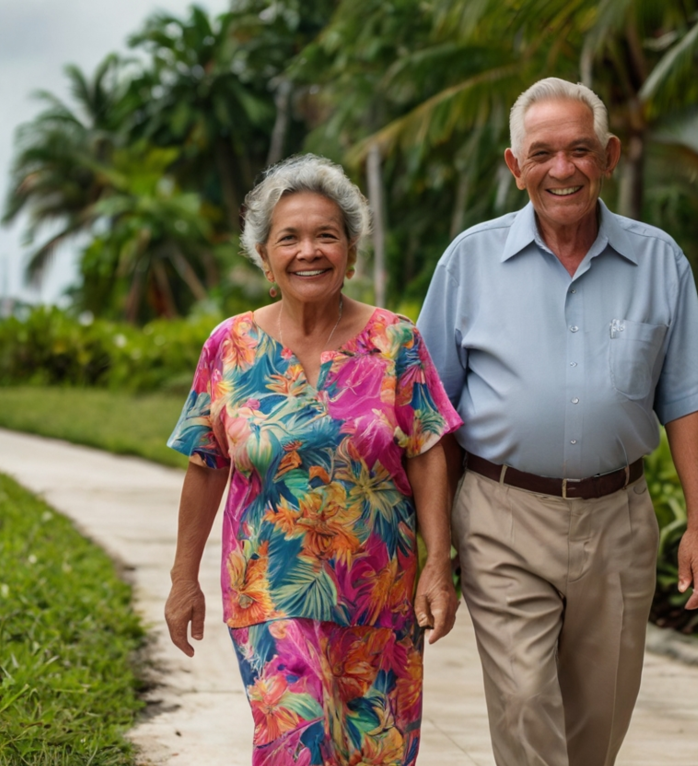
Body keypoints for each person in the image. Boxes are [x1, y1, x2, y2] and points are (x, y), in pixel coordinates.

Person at [416, 78, 698, 766]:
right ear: (514, 165)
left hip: (618, 520)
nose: (562, 169)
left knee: (598, 723)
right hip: (501, 515)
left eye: (580, 150)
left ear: (610, 156)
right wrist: (436, 555)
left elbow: (686, 401)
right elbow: (429, 420)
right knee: (526, 700)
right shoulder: (467, 262)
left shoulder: (659, 260)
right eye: (543, 153)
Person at [164, 154, 462, 766]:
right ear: (266, 258)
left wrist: (439, 564)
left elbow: (431, 451)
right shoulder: (231, 345)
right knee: (294, 744)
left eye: (327, 235)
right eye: (290, 238)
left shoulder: (395, 341)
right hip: (269, 592)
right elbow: (206, 462)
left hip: (379, 597)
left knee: (374, 753)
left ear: (350, 253)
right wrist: (182, 577)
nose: (309, 251)